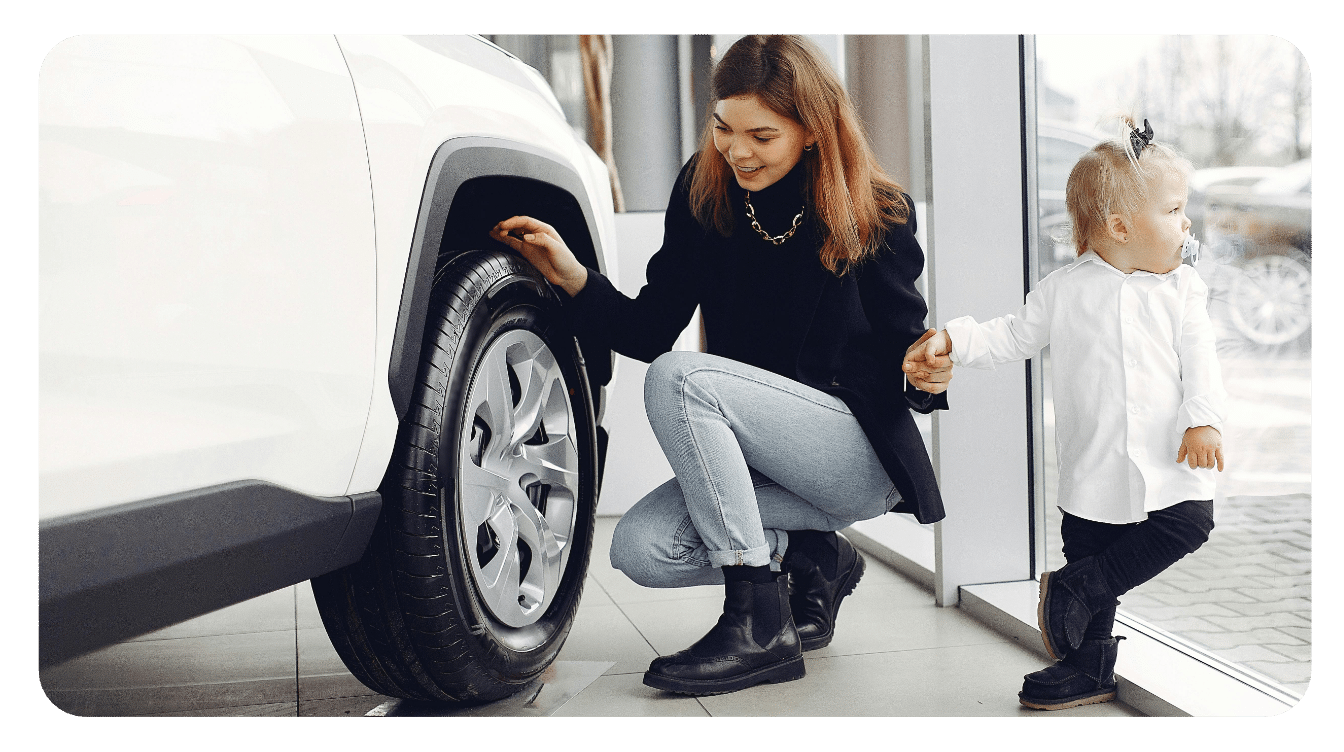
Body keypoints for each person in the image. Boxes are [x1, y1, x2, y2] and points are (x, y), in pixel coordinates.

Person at [492, 34, 952, 696]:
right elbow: (652, 329)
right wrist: (573, 278)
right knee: (641, 549)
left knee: (681, 379)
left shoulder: (875, 208)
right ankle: (814, 557)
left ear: (813, 131)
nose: (737, 150)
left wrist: (925, 372)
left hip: (853, 456)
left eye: (761, 135)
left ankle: (758, 625)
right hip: (766, 461)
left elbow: (905, 345)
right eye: (723, 128)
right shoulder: (706, 193)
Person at [905, 116, 1224, 711]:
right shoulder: (1065, 290)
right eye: (1174, 210)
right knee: (1090, 547)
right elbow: (1010, 336)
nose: (1186, 224)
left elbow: (1203, 361)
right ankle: (1088, 666)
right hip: (1093, 462)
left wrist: (1204, 418)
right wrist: (954, 338)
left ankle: (1080, 588)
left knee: (1188, 525)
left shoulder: (1184, 290)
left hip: (1167, 454)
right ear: (1122, 226)